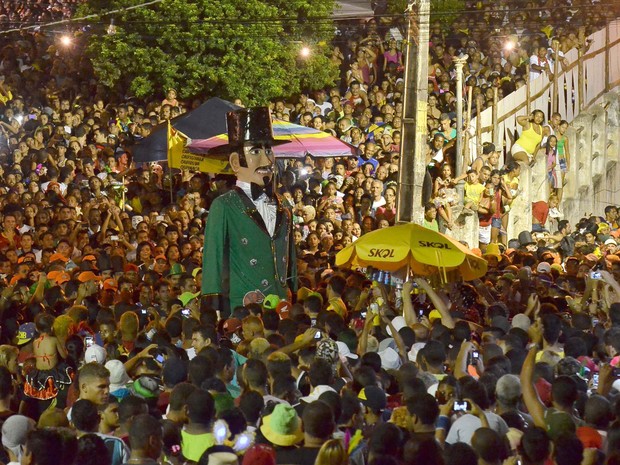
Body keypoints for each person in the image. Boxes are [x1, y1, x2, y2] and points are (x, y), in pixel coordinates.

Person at [202, 107, 297, 315]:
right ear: (235, 162)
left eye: (269, 151)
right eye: (255, 151)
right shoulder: (224, 206)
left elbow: (291, 261)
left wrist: (295, 295)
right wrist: (214, 311)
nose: (267, 161)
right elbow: (213, 262)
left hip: (283, 309)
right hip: (244, 311)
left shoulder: (284, 205)